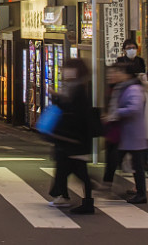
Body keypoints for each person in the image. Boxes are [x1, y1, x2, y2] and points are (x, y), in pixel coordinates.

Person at [47, 58, 96, 214]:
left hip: (75, 138)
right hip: (71, 138)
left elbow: (75, 112)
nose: (64, 71)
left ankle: (87, 201)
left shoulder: (79, 88)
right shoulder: (73, 87)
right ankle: (67, 195)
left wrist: (57, 97)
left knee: (77, 171)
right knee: (71, 169)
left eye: (68, 68)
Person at [104, 61, 148, 204]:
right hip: (128, 134)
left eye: (121, 72)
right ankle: (138, 192)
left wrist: (116, 113)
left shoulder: (133, 88)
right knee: (127, 162)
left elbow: (134, 108)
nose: (118, 74)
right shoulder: (125, 87)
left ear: (127, 75)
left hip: (133, 134)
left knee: (137, 166)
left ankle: (141, 194)